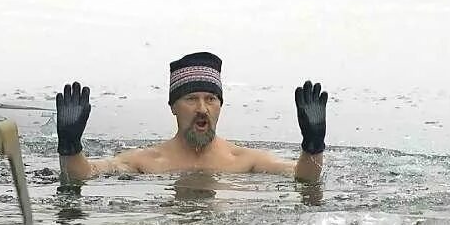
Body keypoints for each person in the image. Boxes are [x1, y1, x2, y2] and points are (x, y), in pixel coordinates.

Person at [55, 51, 329, 184]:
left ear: (220, 105)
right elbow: (82, 176)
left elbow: (304, 178)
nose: (202, 108)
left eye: (210, 99)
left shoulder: (244, 161)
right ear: (173, 106)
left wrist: (313, 145)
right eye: (191, 99)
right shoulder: (147, 161)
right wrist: (70, 145)